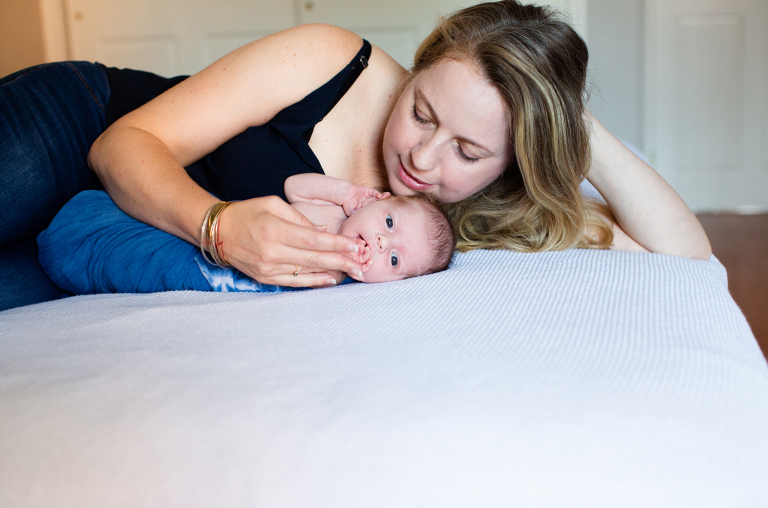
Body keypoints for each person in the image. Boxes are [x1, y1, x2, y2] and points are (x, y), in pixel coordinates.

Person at [0, 0, 711, 311]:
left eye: (467, 149)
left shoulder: (492, 210)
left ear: (511, 162)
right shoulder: (332, 60)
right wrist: (218, 227)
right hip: (79, 128)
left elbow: (684, 255)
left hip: (108, 242)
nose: (423, 158)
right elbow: (121, 146)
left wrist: (563, 116)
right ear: (416, 70)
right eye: (422, 111)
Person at [37, 174, 455, 293]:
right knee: (145, 243)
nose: (382, 243)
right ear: (374, 202)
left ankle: (84, 265)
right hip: (208, 241)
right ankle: (83, 235)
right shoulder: (329, 211)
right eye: (388, 223)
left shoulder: (341, 282)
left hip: (208, 280)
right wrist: (346, 193)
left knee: (138, 272)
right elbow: (293, 186)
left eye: (394, 260)